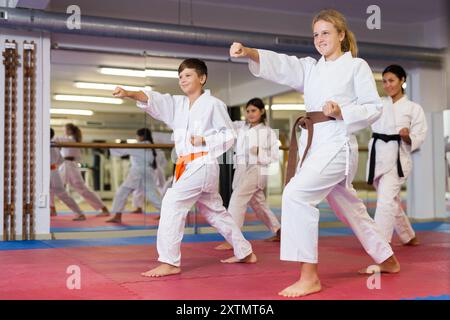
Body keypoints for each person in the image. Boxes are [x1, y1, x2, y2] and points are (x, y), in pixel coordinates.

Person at [230, 8, 400, 297]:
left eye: (326, 32)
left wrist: (341, 110)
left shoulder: (356, 66)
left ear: (341, 35)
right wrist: (250, 53)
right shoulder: (312, 68)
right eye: (316, 34)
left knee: (296, 195)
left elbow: (374, 108)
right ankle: (388, 259)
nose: (320, 38)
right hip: (315, 144)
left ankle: (309, 276)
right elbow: (283, 65)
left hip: (337, 142)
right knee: (351, 210)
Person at [112, 58, 257, 277]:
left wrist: (206, 140)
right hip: (188, 165)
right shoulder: (178, 105)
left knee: (171, 202)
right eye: (180, 76)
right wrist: (129, 93)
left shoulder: (213, 104)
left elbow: (229, 135)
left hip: (203, 162)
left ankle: (170, 261)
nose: (182, 79)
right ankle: (245, 251)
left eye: (188, 75)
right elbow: (153, 99)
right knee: (215, 212)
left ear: (202, 78)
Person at [367, 64, 427, 245]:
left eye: (391, 80)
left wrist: (407, 137)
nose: (387, 85)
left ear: (402, 81)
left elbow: (420, 135)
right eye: (384, 81)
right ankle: (408, 235)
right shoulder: (379, 105)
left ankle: (380, 244)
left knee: (385, 201)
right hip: (378, 157)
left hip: (398, 159)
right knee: (390, 199)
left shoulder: (413, 108)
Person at [215, 98, 281, 250]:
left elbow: (274, 156)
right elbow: (226, 123)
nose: (250, 114)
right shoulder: (241, 127)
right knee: (259, 205)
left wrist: (260, 151)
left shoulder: (268, 132)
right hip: (241, 171)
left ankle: (232, 239)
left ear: (262, 111)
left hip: (256, 170)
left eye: (254, 110)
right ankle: (279, 231)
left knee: (237, 200)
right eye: (248, 111)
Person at [106, 128, 163, 223]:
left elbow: (122, 150)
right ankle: (166, 214)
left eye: (137, 136)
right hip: (147, 172)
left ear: (141, 136)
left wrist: (109, 146)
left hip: (138, 172)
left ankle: (117, 215)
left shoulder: (139, 145)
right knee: (152, 195)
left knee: (121, 192)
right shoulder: (151, 146)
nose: (137, 138)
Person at [54, 123, 110, 217]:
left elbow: (55, 139)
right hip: (67, 165)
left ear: (70, 131)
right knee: (56, 187)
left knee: (57, 187)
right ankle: (103, 208)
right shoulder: (69, 139)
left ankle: (103, 209)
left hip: (69, 166)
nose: (63, 131)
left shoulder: (70, 139)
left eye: (64, 129)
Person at [49, 128, 86, 221]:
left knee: (61, 194)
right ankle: (51, 210)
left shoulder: (52, 144)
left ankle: (79, 213)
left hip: (51, 172)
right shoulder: (54, 145)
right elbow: (60, 160)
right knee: (51, 193)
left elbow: (60, 160)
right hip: (53, 171)